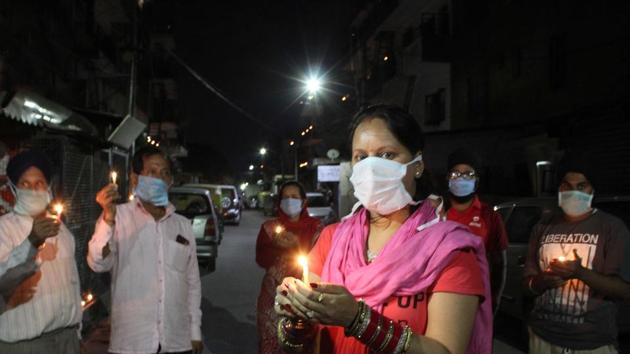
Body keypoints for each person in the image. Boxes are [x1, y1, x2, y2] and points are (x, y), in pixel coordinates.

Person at [274, 104, 493, 354]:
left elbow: (445, 351)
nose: (371, 167)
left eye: (387, 155)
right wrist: (294, 320)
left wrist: (358, 320)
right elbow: (299, 340)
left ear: (417, 164)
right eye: (361, 157)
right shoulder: (332, 238)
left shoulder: (449, 252)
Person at [87, 146, 203, 354]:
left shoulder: (183, 225)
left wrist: (195, 331)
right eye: (152, 172)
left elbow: (192, 282)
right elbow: (97, 262)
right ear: (134, 179)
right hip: (131, 343)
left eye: (165, 173)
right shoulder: (117, 217)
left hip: (177, 341)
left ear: (170, 182)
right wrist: (108, 220)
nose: (159, 178)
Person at [524, 155, 630, 354]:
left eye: (581, 186)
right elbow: (527, 285)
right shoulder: (542, 227)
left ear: (593, 190)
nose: (573, 193)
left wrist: (581, 273)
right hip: (542, 337)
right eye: (567, 186)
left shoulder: (612, 228)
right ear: (559, 188)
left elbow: (624, 290)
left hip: (592, 342)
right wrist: (542, 281)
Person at [0, 150, 82, 353]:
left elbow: (73, 283)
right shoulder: (4, 229)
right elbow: (3, 280)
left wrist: (77, 335)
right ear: (14, 189)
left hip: (67, 339)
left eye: (39, 183)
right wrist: (32, 242)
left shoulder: (62, 231)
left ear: (49, 188)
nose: (33, 189)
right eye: (25, 184)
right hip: (27, 345)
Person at [255, 181, 321, 354]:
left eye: (294, 197)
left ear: (304, 201)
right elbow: (261, 260)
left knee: (303, 344)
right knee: (271, 342)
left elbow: (321, 260)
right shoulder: (269, 228)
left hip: (304, 298)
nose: (289, 201)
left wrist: (297, 245)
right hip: (272, 297)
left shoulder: (316, 228)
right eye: (285, 198)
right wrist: (276, 246)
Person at [445, 148, 508, 314]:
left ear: (477, 180)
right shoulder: (436, 211)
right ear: (447, 178)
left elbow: (499, 263)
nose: (461, 178)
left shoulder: (489, 216)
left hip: (477, 299)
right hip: (440, 295)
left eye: (468, 174)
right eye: (455, 174)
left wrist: (495, 299)